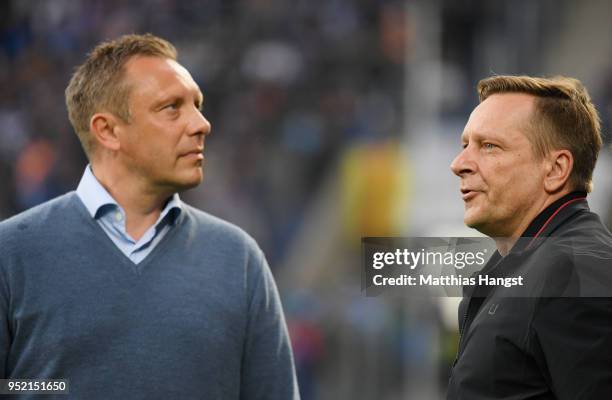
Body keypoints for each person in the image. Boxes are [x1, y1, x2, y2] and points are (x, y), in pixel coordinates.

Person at [0, 34, 299, 399]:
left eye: (197, 105)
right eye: (172, 107)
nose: (201, 124)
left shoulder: (239, 259)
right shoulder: (11, 252)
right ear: (108, 131)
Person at [447, 75, 612, 399]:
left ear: (555, 169)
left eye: (489, 146)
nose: (459, 164)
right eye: (465, 145)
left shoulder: (580, 272)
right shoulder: (522, 267)